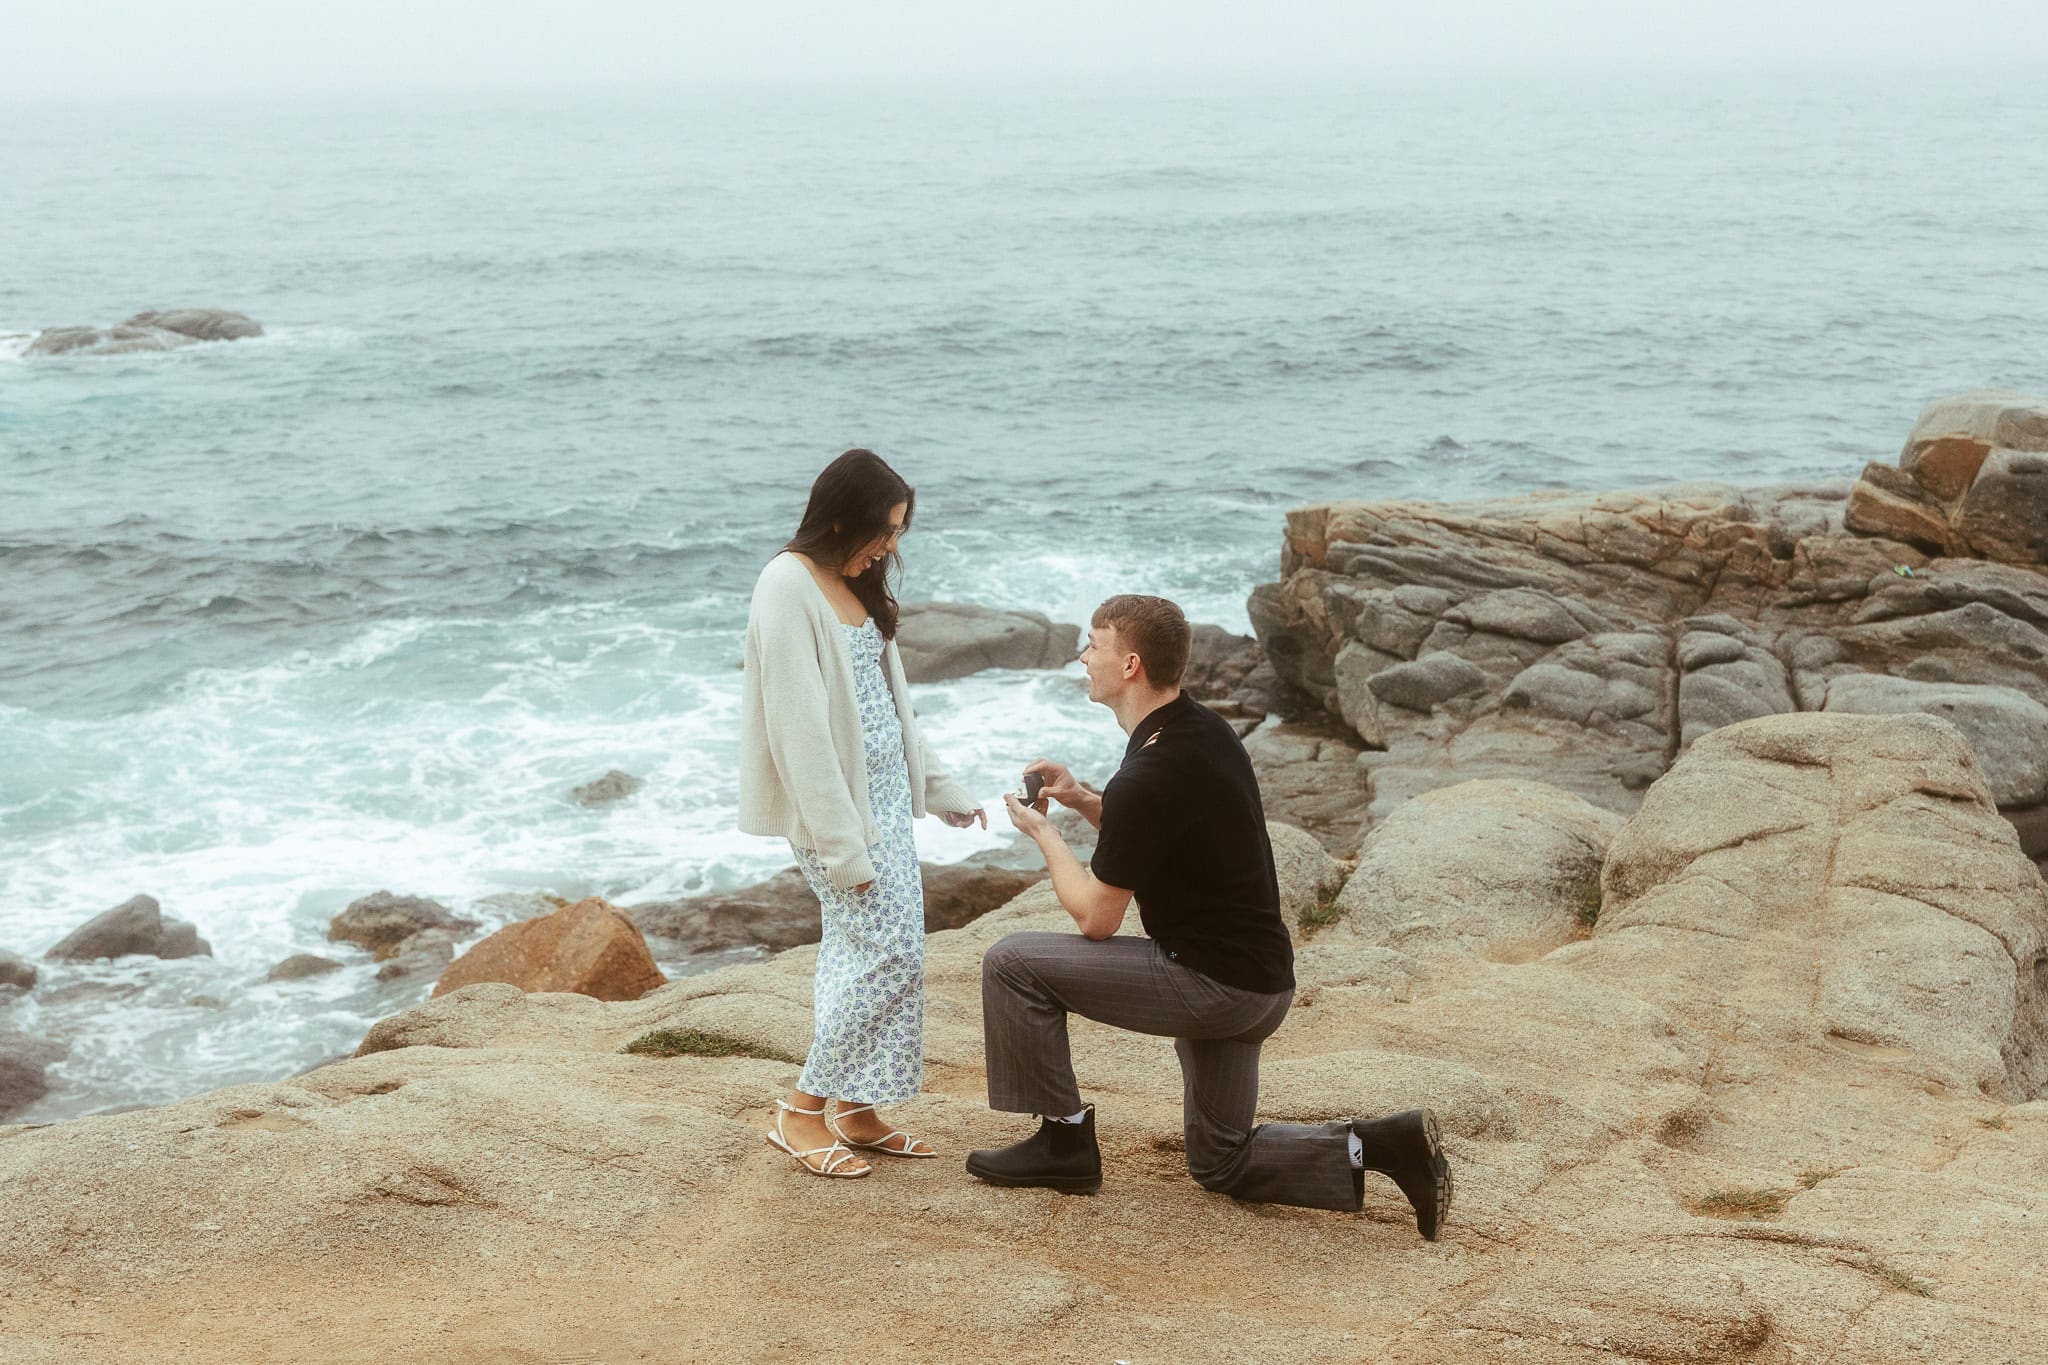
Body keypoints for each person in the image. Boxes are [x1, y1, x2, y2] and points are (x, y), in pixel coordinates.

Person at [969, 594, 1453, 1239]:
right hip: (1258, 982)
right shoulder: (1198, 730)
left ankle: (1063, 1144)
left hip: (1211, 986)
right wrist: (1084, 798)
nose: (1083, 658)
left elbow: (1095, 919)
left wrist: (1042, 834)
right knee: (1221, 1162)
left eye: (1094, 646)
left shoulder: (1151, 772)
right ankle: (1386, 1147)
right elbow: (1153, 829)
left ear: (1131, 663)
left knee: (1012, 963)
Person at [739, 448, 987, 1179]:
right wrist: (841, 845)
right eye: (885, 528)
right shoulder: (786, 584)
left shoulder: (861, 581)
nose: (892, 545)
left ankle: (859, 1106)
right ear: (841, 517)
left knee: (871, 951)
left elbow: (891, 706)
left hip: (882, 803)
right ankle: (801, 1109)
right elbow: (799, 730)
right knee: (892, 955)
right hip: (834, 814)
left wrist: (942, 789)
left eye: (901, 530)